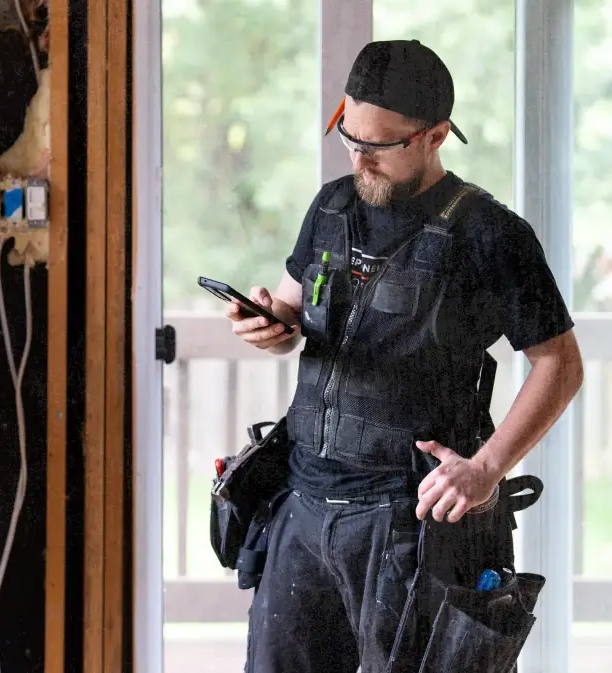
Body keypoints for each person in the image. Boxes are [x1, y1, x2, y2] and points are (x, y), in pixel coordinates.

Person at [227, 39, 585, 673]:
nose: (359, 156)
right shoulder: (332, 206)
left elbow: (560, 364)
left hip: (407, 523)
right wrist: (269, 324)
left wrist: (487, 469)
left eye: (379, 144)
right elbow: (289, 309)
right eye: (349, 135)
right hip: (302, 507)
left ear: (434, 135)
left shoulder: (491, 234)